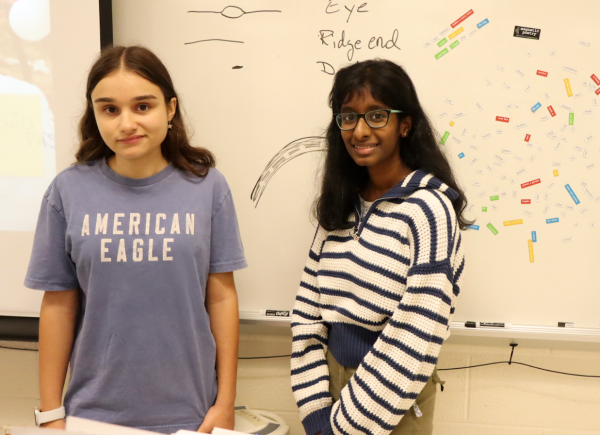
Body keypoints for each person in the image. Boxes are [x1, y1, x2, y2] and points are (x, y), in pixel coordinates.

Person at [24, 45, 247, 433]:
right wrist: (50, 414)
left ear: (170, 109)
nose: (126, 123)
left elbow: (222, 296)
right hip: (91, 416)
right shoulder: (67, 191)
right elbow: (58, 304)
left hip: (192, 416)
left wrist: (225, 402)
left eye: (143, 106)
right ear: (94, 116)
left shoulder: (208, 188)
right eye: (109, 109)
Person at [290, 59, 469, 435]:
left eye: (376, 116)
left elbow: (415, 334)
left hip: (395, 401)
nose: (359, 130)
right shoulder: (340, 206)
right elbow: (307, 316)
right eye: (348, 117)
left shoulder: (428, 210)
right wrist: (317, 412)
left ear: (405, 125)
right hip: (332, 392)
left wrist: (343, 427)